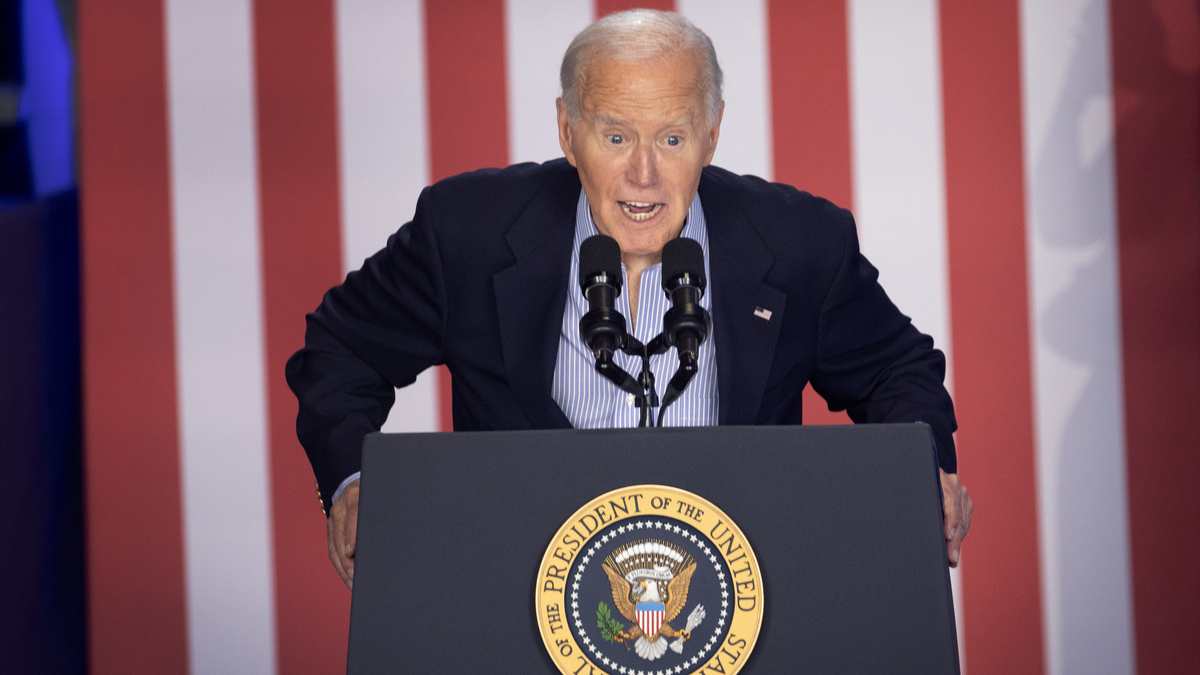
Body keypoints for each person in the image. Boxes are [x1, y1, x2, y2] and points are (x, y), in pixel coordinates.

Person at [286, 9, 973, 590]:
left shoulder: (799, 243)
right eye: (615, 136)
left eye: (671, 138)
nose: (642, 174)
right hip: (519, 594)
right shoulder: (466, 230)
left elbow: (897, 372)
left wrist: (926, 473)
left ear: (711, 134)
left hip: (730, 596)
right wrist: (350, 480)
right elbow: (342, 348)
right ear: (567, 131)